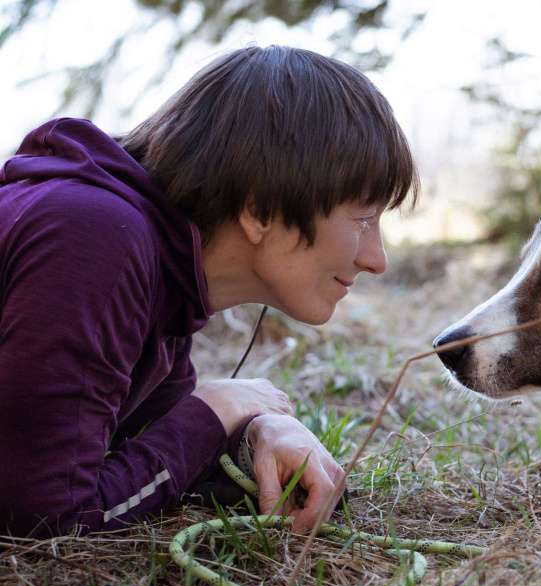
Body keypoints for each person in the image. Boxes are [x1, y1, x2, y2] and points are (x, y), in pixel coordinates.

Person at [0, 45, 417, 538]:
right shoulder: (94, 237)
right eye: (363, 218)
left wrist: (256, 430)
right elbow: (48, 516)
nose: (377, 259)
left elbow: (142, 432)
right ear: (260, 210)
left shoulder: (163, 271)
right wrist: (216, 408)